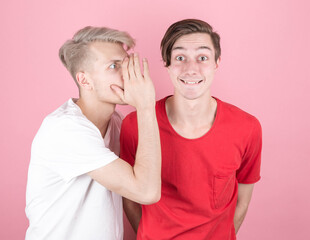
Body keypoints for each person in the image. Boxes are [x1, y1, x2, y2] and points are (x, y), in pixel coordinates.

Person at [120, 19, 262, 239]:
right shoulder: (134, 125)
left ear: (217, 62)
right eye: (180, 58)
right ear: (167, 64)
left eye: (202, 58)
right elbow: (129, 198)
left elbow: (243, 198)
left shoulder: (247, 127)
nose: (191, 68)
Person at [25, 26, 161, 240]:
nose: (127, 73)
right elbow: (146, 191)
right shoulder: (66, 129)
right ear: (84, 80)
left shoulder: (116, 122)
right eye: (114, 66)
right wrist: (145, 106)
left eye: (125, 63)